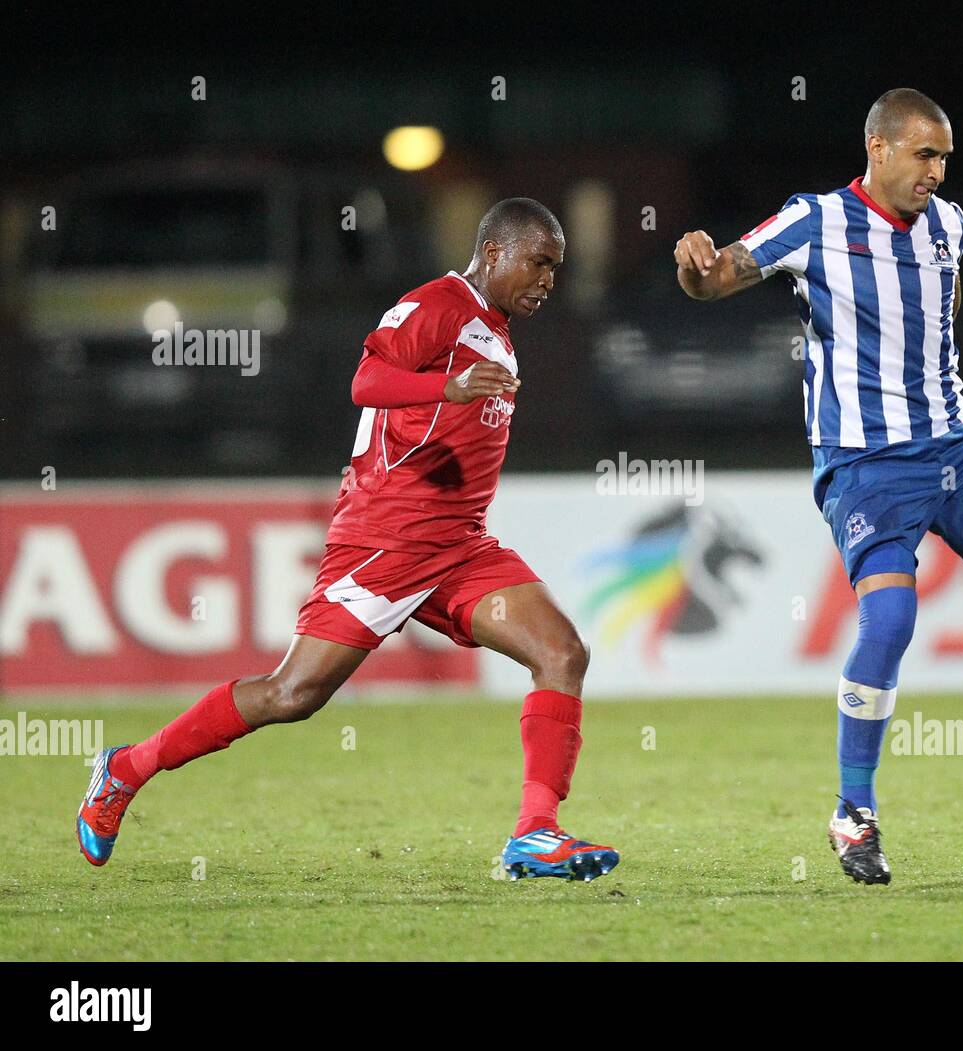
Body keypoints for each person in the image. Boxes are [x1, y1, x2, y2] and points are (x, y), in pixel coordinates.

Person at [77, 198, 620, 883]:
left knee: (562, 651)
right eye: (539, 262)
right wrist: (446, 388)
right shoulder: (438, 305)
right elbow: (366, 379)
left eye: (556, 268)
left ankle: (535, 833)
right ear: (493, 253)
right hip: (385, 543)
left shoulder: (497, 331)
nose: (548, 279)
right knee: (292, 695)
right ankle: (124, 769)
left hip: (459, 547)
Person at [674, 89, 963, 885]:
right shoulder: (813, 220)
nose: (937, 172)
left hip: (961, 446)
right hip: (867, 466)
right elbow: (717, 280)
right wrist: (697, 272)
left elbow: (937, 312)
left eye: (945, 157)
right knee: (889, 619)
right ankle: (853, 812)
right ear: (878, 149)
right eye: (924, 154)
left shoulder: (949, 225)